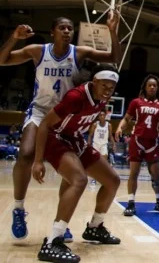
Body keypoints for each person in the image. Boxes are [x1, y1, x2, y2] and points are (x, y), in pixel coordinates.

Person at [0, 12, 120, 240]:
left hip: (67, 116)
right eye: (62, 28)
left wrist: (112, 31)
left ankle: (63, 223)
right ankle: (18, 208)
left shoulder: (79, 53)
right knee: (25, 155)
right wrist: (14, 37)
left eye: (70, 29)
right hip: (41, 112)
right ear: (53, 32)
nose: (67, 32)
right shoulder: (37, 50)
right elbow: (2, 59)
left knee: (71, 173)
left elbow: (113, 56)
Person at [32, 65, 122, 263]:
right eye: (104, 85)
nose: (108, 90)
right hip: (55, 137)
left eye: (112, 87)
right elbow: (45, 124)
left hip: (75, 139)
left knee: (113, 181)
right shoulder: (76, 97)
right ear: (94, 82)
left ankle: (95, 228)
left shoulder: (102, 102)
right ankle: (53, 241)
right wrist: (38, 161)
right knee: (79, 180)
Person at [115, 74, 159, 216]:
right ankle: (131, 203)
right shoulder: (136, 102)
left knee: (157, 174)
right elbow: (127, 119)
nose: (152, 87)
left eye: (154, 85)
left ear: (158, 88)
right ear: (145, 88)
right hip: (137, 141)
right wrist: (120, 127)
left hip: (152, 142)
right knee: (134, 173)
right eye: (149, 85)